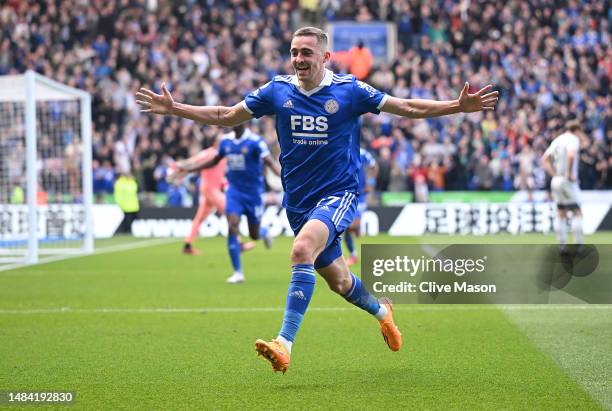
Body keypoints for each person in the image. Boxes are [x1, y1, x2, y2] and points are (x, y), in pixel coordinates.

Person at [136, 26, 499, 373]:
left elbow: (407, 107)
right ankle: (382, 313)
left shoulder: (349, 91)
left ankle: (284, 344)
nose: (298, 59)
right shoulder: (276, 91)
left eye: (306, 52)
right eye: (294, 52)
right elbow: (225, 116)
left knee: (300, 250)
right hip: (298, 203)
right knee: (340, 282)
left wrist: (456, 106)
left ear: (325, 56)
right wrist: (176, 108)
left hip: (338, 194)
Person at [175, 124, 281, 283]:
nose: (232, 120)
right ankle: (238, 272)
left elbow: (270, 163)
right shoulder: (225, 142)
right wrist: (190, 169)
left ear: (243, 122)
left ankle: (264, 232)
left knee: (254, 233)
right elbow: (213, 161)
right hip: (234, 192)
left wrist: (287, 181)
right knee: (232, 225)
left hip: (253, 194)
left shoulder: (255, 141)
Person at [171, 134, 228, 256]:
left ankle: (187, 245)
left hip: (212, 189)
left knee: (199, 219)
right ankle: (237, 243)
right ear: (214, 142)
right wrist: (178, 166)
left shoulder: (222, 154)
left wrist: (224, 183)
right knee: (230, 211)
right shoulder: (209, 153)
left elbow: (218, 174)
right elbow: (193, 162)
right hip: (210, 189)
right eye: (220, 140)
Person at [541, 120, 584, 253]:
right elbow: (571, 155)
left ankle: (562, 246)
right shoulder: (573, 139)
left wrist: (554, 174)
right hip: (567, 180)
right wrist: (569, 174)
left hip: (556, 180)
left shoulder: (557, 140)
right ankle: (578, 246)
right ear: (576, 130)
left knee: (561, 212)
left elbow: (544, 159)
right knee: (577, 212)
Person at [345, 147, 377, 266]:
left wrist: (371, 183)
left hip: (361, 195)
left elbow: (374, 166)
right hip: (347, 194)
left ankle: (356, 228)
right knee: (347, 229)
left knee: (349, 226)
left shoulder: (362, 153)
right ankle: (353, 255)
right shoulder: (342, 150)